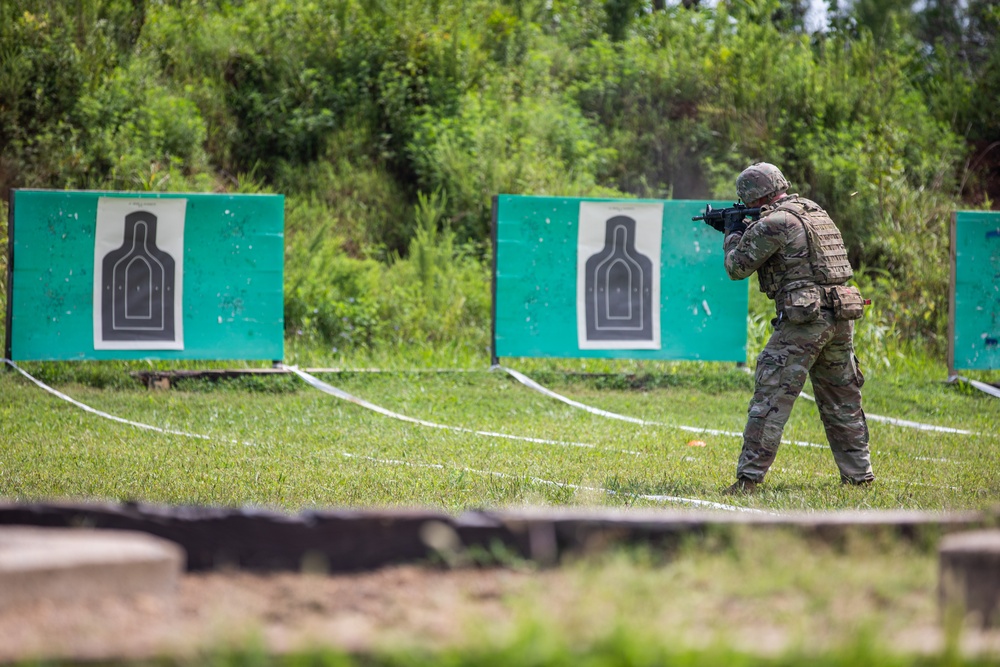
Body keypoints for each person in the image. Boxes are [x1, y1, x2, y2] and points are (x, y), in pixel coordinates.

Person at [718, 163, 874, 494]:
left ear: (753, 196)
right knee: (842, 399)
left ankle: (748, 480)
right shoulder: (815, 212)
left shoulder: (773, 222)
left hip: (804, 319)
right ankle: (859, 477)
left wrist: (733, 234)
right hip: (840, 313)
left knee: (771, 397)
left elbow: (736, 267)